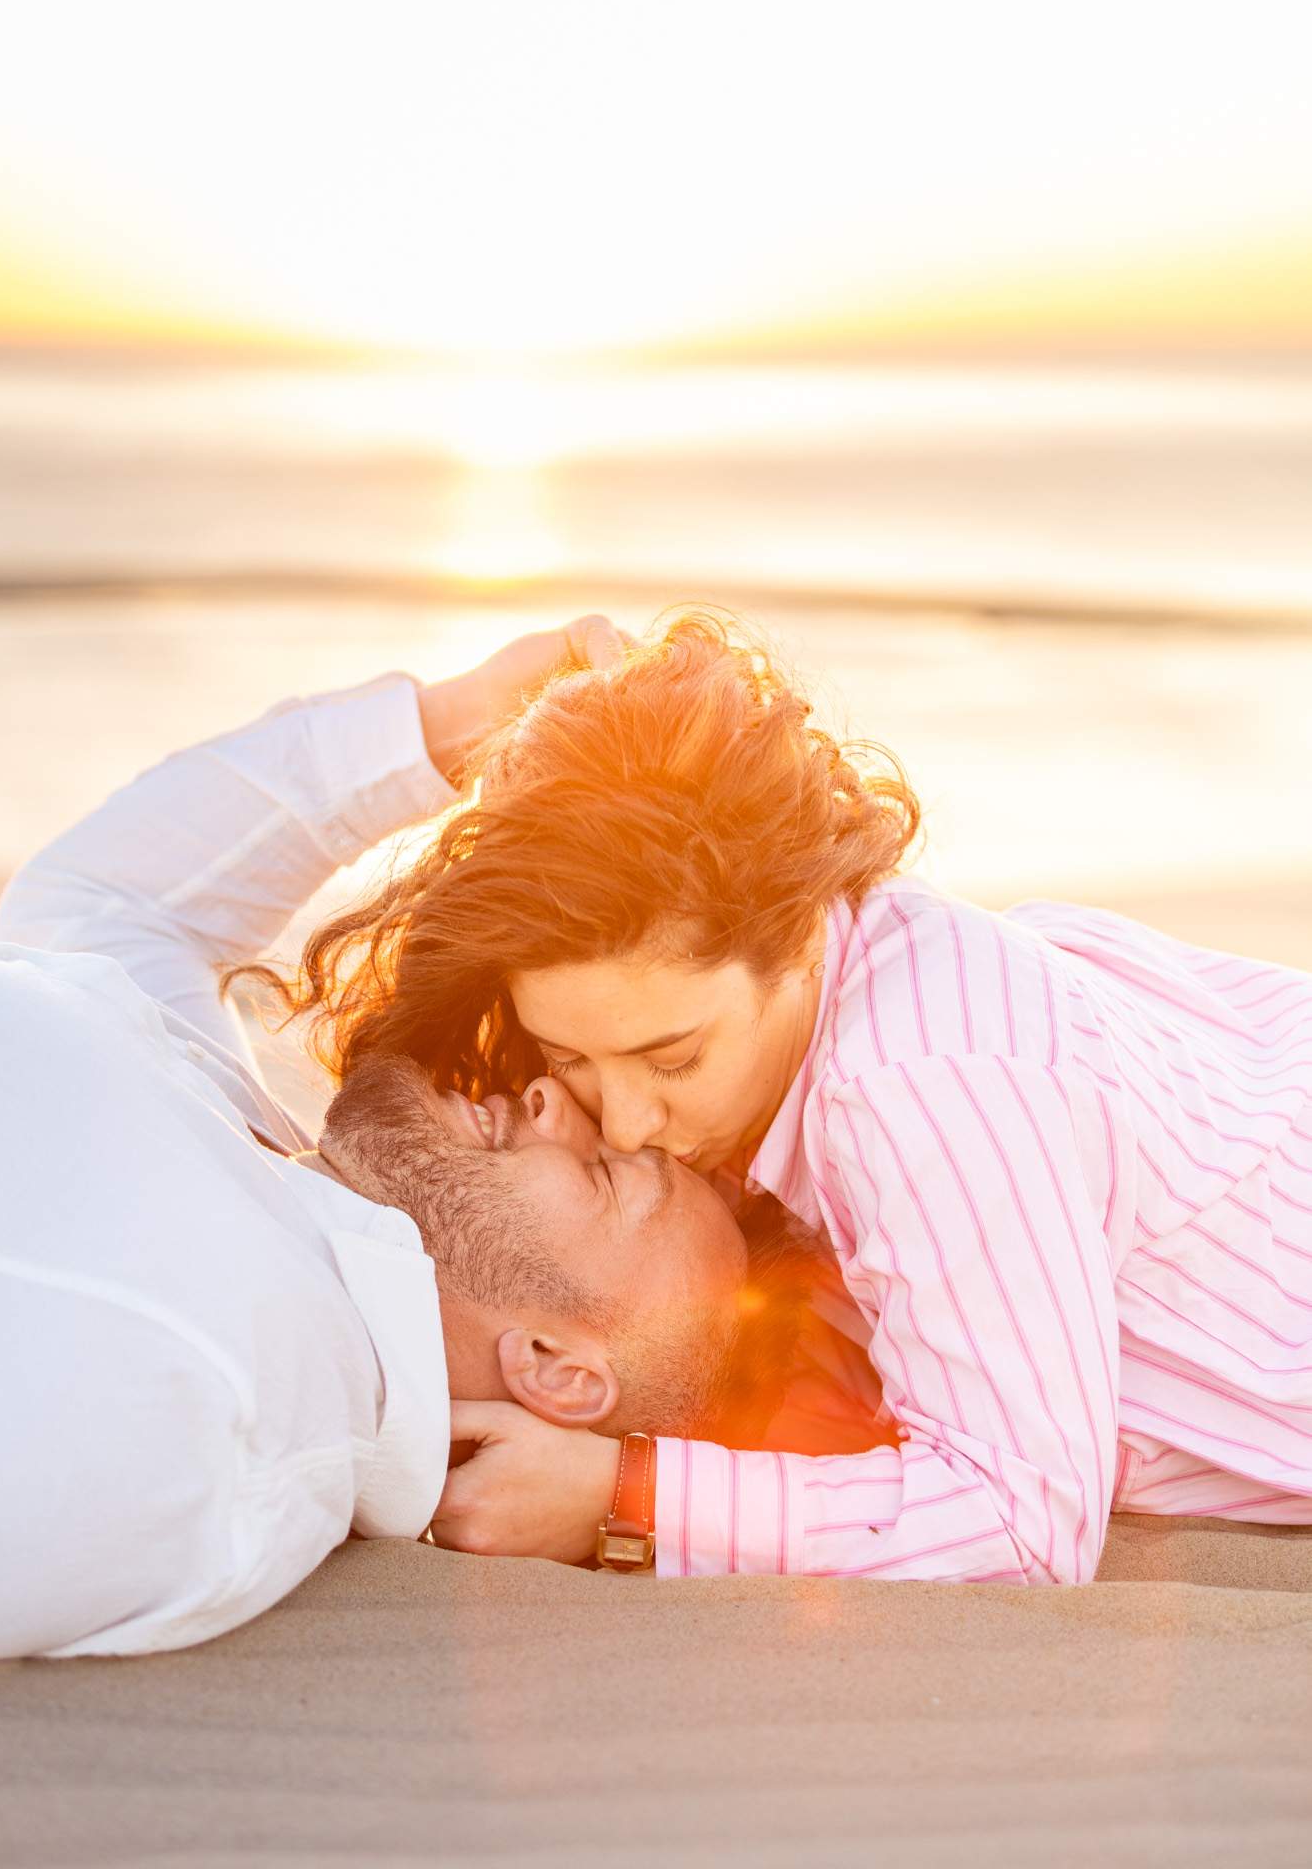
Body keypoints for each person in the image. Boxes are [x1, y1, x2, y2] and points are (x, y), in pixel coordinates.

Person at [287, 612, 1312, 1584]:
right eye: (574, 1058)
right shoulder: (854, 1002)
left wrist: (623, 1490)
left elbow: (1021, 1518)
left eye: (672, 1057)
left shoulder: (918, 1085)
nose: (629, 1122)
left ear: (796, 937)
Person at [0, 618, 750, 1660]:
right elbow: (110, 905)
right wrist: (458, 724)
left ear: (556, 1369)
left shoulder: (222, 1420)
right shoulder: (258, 1149)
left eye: (611, 1174)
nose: (550, 1099)